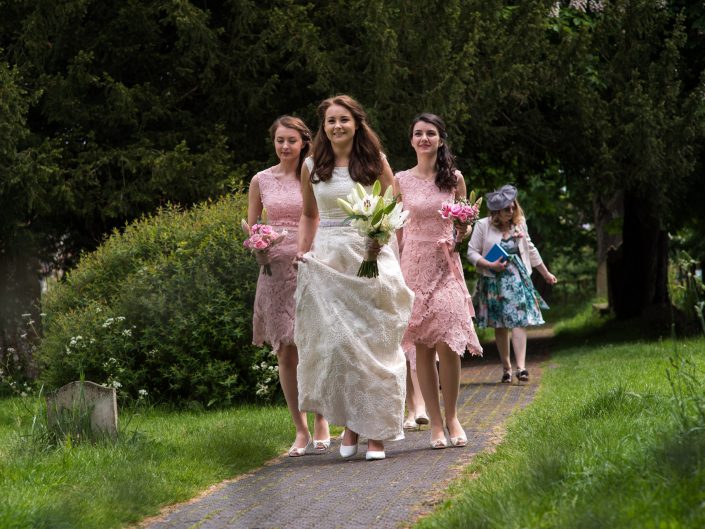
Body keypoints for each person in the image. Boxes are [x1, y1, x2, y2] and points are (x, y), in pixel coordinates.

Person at [294, 95, 414, 461]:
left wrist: (380, 237)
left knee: (374, 343)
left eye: (343, 119)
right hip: (330, 259)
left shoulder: (375, 162)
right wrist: (303, 251)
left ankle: (376, 432)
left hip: (370, 255)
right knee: (340, 348)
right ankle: (351, 424)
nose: (337, 126)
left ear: (356, 123)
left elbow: (393, 204)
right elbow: (309, 215)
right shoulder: (312, 165)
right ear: (323, 126)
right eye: (330, 121)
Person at [396, 113, 483, 449]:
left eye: (430, 133)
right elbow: (395, 226)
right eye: (418, 133)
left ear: (441, 139)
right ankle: (434, 424)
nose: (424, 139)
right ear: (412, 140)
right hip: (413, 265)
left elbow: (465, 223)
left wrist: (463, 229)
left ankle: (452, 417)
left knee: (449, 342)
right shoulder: (401, 180)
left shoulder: (454, 179)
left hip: (446, 264)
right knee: (422, 345)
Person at [248, 116, 329, 457]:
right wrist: (259, 247)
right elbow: (252, 226)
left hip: (310, 263)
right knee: (285, 350)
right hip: (274, 272)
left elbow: (322, 218)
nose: (285, 146)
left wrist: (312, 251)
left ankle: (323, 421)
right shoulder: (260, 180)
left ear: (303, 143)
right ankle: (300, 428)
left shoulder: (315, 174)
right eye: (280, 140)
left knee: (315, 344)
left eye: (291, 141)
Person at [466, 184, 557, 384]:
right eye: (506, 208)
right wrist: (489, 264)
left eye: (513, 207)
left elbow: (531, 250)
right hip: (493, 281)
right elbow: (471, 252)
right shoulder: (483, 225)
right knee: (500, 325)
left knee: (518, 320)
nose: (511, 211)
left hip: (517, 280)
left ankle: (521, 367)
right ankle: (506, 367)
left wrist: (546, 273)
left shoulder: (520, 224)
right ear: (496, 211)